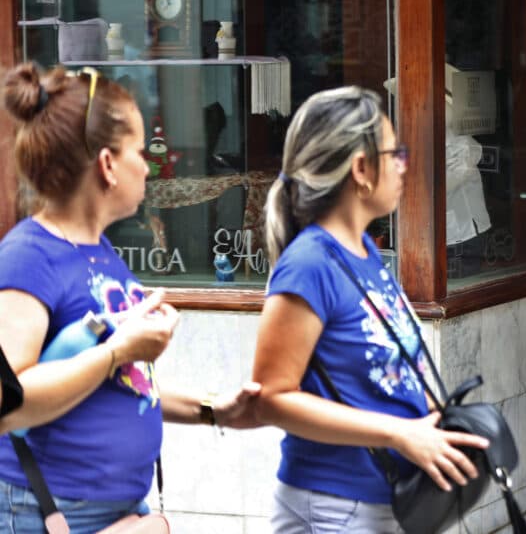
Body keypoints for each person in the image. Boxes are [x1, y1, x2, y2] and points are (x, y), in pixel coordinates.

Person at [0, 62, 261, 532]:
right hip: (51, 514)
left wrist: (211, 411)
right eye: (139, 151)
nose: (149, 164)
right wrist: (120, 348)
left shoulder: (98, 249)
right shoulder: (27, 257)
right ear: (106, 164)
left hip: (107, 511)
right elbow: (9, 402)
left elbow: (117, 382)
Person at [252, 86, 489, 533]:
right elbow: (271, 399)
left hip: (386, 501)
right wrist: (397, 433)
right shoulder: (309, 265)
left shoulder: (360, 249)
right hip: (335, 508)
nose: (404, 163)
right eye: (393, 151)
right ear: (361, 169)